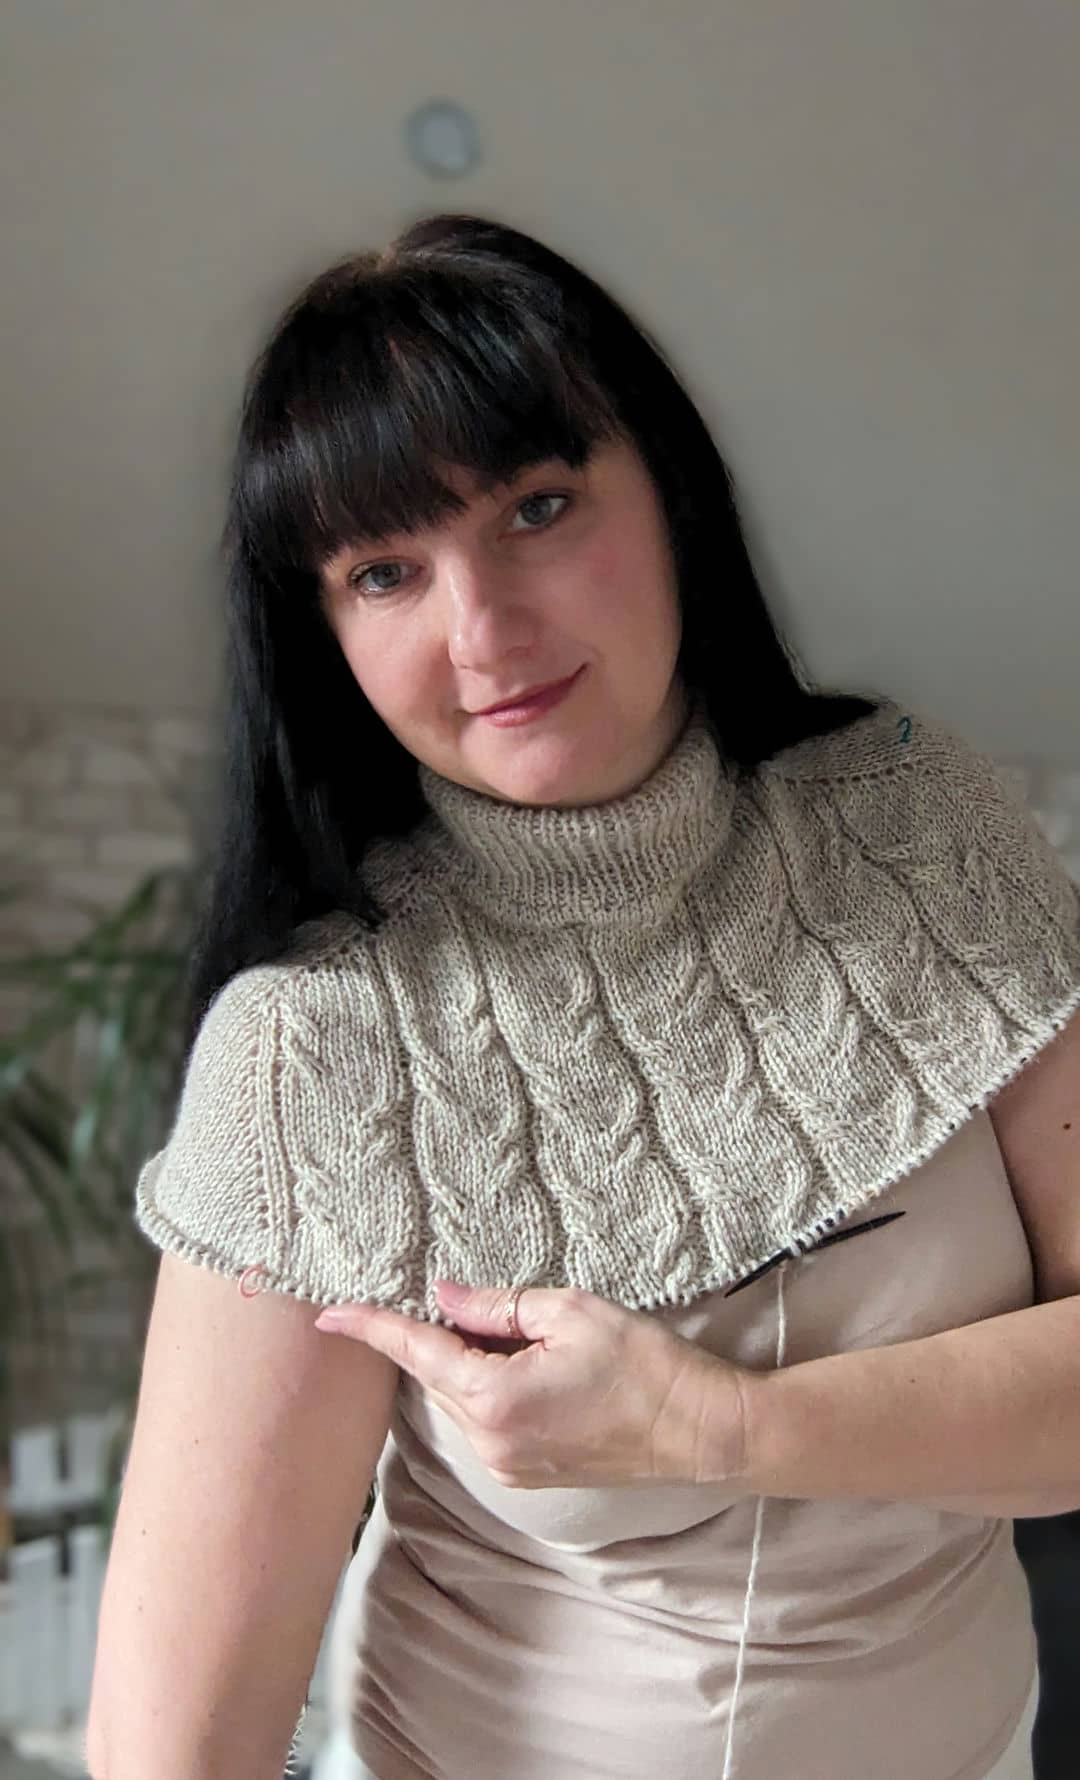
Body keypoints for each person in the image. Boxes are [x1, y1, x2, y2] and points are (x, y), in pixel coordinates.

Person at [86, 212, 1080, 1780]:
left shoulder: (920, 827)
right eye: (384, 571)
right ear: (323, 633)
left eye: (538, 509)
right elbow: (174, 1745)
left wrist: (721, 1431)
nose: (483, 632)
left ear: (668, 492)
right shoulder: (315, 1051)